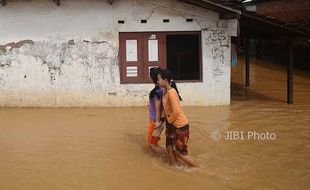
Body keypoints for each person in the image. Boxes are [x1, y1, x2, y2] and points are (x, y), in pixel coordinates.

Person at [157, 69, 197, 167]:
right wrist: (161, 122)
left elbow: (176, 111)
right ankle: (174, 169)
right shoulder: (164, 91)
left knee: (180, 153)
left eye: (159, 79)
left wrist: (168, 122)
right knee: (169, 147)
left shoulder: (171, 92)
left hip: (180, 126)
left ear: (165, 80)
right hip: (171, 126)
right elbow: (165, 109)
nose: (157, 81)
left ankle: (198, 168)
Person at [147, 67, 166, 156]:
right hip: (162, 119)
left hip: (155, 120)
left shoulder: (155, 92)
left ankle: (170, 154)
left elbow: (158, 109)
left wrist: (157, 123)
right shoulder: (163, 89)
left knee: (152, 145)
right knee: (154, 143)